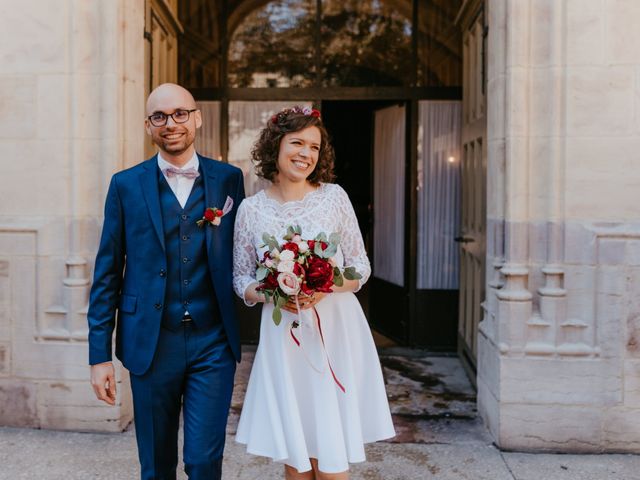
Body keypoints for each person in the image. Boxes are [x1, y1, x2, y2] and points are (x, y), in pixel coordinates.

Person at [87, 83, 245, 480]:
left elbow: (244, 255)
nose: (170, 123)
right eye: (159, 116)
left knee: (204, 461)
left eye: (179, 114)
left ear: (197, 117)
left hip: (213, 343)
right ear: (147, 125)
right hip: (151, 343)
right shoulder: (125, 185)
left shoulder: (228, 179)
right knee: (156, 466)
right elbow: (107, 272)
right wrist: (98, 355)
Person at [232, 106, 395, 480]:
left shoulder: (334, 197)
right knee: (298, 444)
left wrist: (324, 283)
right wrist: (274, 290)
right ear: (276, 145)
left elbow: (360, 265)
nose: (306, 153)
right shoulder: (250, 210)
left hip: (335, 329)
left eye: (315, 147)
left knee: (332, 448)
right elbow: (240, 278)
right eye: (297, 143)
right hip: (285, 335)